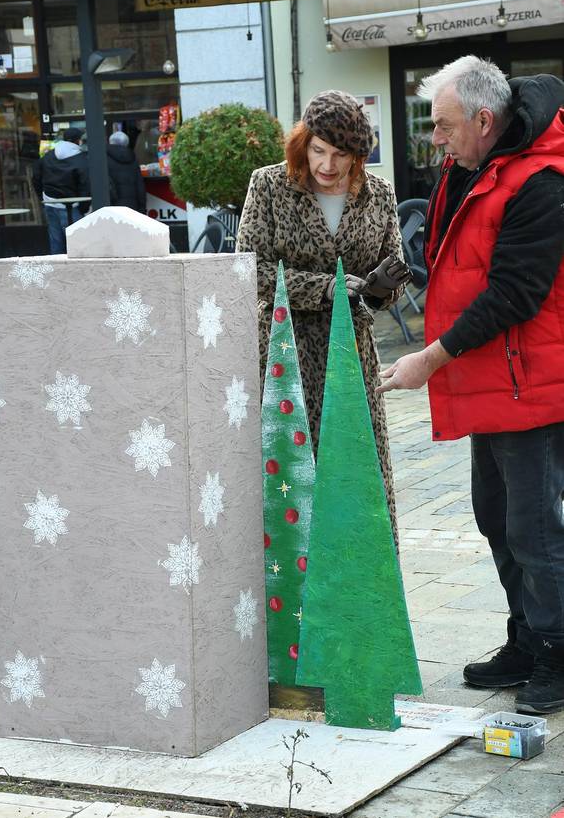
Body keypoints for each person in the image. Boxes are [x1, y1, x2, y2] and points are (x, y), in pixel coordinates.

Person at [378, 56, 564, 714]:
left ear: (486, 121)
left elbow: (513, 294)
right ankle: (526, 637)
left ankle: (556, 654)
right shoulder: (473, 168)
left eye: (443, 124)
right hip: (492, 383)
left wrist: (428, 359)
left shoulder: (542, 179)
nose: (434, 138)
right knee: (495, 519)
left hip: (532, 386)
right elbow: (448, 262)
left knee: (536, 531)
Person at [236, 90, 410, 542]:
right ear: (303, 143)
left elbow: (392, 261)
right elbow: (249, 269)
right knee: (294, 475)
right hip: (285, 352)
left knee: (357, 470)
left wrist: (382, 290)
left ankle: (362, 585)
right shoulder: (270, 185)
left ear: (358, 155)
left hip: (352, 352)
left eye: (340, 155)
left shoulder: (379, 194)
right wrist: (325, 288)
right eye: (318, 150)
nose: (327, 165)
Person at [34, 128, 90, 254]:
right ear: (79, 141)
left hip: (50, 203)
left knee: (56, 242)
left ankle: (57, 271)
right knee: (78, 244)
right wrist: (83, 207)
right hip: (73, 206)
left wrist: (42, 198)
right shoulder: (81, 159)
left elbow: (36, 177)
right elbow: (85, 184)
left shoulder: (47, 157)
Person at [107, 131, 146, 213]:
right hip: (132, 206)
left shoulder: (103, 158)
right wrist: (142, 207)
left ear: (110, 142)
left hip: (112, 205)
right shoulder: (133, 158)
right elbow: (139, 185)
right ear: (127, 143)